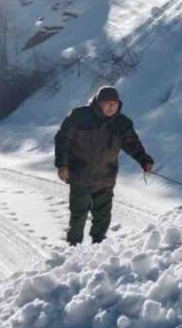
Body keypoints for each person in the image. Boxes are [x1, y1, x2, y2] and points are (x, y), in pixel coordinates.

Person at [54, 86, 154, 245]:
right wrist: (62, 165)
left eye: (115, 104)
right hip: (80, 175)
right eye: (107, 103)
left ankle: (98, 245)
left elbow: (132, 144)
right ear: (98, 103)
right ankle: (74, 246)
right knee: (79, 214)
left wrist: (144, 160)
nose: (111, 107)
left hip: (106, 176)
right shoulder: (79, 116)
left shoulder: (122, 123)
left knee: (103, 214)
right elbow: (62, 140)